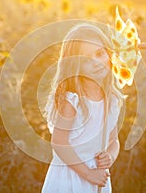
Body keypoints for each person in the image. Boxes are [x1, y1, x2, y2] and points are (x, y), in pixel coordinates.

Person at [41, 23, 126, 193]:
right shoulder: (72, 101)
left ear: (109, 54)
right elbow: (59, 143)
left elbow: (113, 140)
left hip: (97, 177)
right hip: (71, 176)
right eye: (87, 59)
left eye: (100, 54)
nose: (97, 63)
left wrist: (110, 156)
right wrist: (88, 174)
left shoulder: (112, 100)